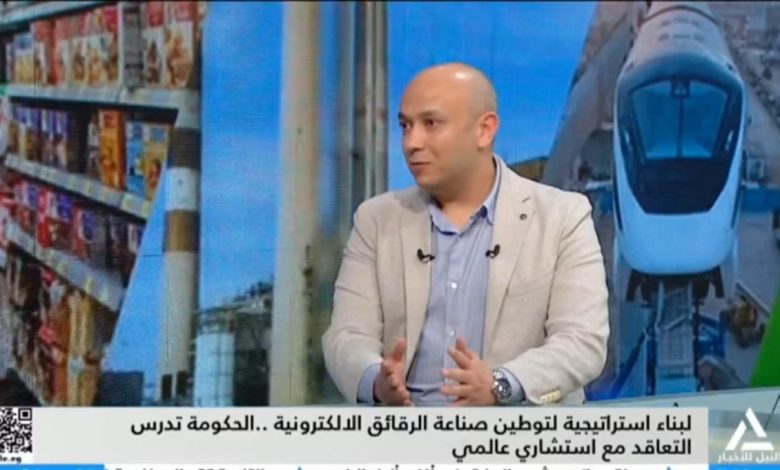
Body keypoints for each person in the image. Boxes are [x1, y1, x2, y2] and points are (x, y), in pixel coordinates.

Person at [322, 63, 609, 406]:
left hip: (520, 432)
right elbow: (346, 336)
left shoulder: (562, 216)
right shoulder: (376, 220)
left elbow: (582, 342)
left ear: (484, 130)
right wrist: (375, 381)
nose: (412, 143)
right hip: (407, 432)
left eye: (431, 123)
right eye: (405, 126)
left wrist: (501, 385)